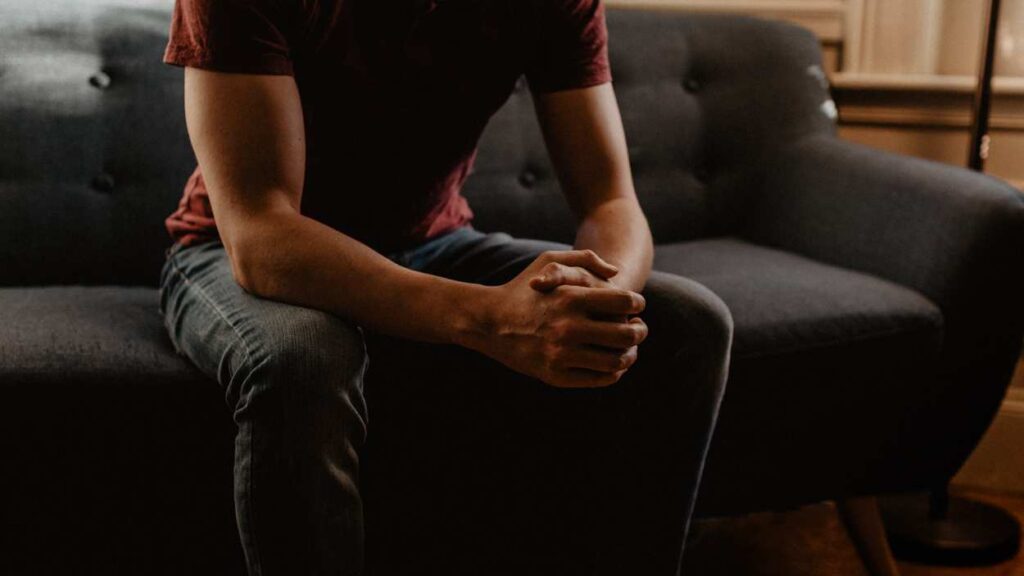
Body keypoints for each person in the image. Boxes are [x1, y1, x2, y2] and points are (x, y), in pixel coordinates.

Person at [158, 0, 732, 574]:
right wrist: (489, 317)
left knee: (688, 323)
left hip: (434, 244)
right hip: (232, 250)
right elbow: (260, 234)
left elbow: (611, 200)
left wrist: (596, 306)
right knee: (305, 357)